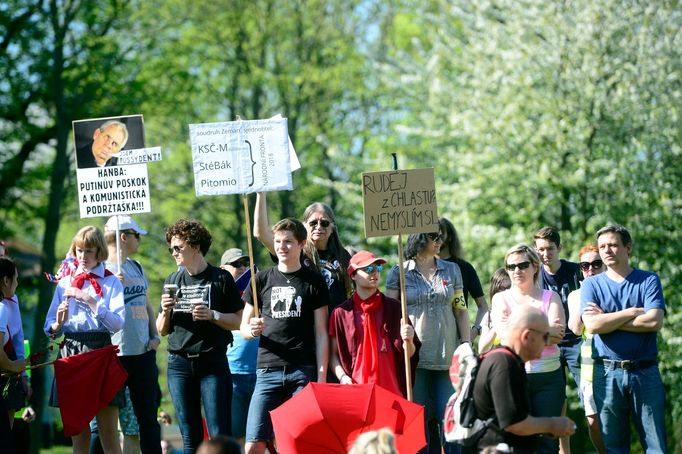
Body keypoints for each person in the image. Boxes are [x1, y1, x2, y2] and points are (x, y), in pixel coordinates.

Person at [240, 218, 330, 454]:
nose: (281, 246)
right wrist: (251, 329)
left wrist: (320, 378)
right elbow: (243, 328)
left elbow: (321, 333)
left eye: (288, 242)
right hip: (267, 369)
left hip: (302, 370)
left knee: (297, 442)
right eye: (278, 241)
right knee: (253, 444)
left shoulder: (315, 282)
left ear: (301, 244)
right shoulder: (260, 280)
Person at [157, 219, 244, 452]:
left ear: (195, 246)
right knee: (189, 435)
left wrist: (213, 314)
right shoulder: (172, 280)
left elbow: (239, 321)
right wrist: (165, 310)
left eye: (178, 247)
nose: (173, 252)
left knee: (219, 433)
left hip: (212, 362)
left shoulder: (221, 278)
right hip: (179, 364)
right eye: (171, 248)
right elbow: (161, 329)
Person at [581, 224, 667, 452]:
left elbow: (653, 322)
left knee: (655, 445)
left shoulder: (648, 280)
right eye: (602, 246)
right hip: (607, 373)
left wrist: (608, 321)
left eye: (613, 245)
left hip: (645, 372)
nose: (607, 250)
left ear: (627, 248)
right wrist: (630, 312)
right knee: (614, 447)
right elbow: (592, 324)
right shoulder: (591, 284)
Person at [385, 229, 470, 454]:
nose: (440, 241)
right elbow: (389, 313)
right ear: (419, 238)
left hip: (448, 356)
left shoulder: (452, 270)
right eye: (435, 237)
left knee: (452, 420)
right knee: (416, 422)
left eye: (440, 236)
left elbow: (461, 310)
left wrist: (467, 344)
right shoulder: (399, 272)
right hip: (413, 358)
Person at [44, 226, 125, 454]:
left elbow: (118, 324)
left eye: (88, 251)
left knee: (108, 434)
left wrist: (90, 300)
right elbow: (49, 328)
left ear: (99, 251)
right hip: (71, 351)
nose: (83, 256)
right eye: (79, 250)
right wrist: (57, 324)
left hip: (100, 351)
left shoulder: (111, 282)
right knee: (78, 432)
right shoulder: (64, 282)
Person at [489, 244, 565, 454]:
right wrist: (544, 331)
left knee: (548, 442)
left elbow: (558, 335)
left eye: (522, 265)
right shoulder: (500, 298)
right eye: (510, 267)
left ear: (535, 266)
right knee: (515, 440)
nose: (516, 271)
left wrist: (521, 330)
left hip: (549, 378)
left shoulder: (551, 297)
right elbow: (506, 337)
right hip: (513, 375)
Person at [97, 215, 161, 454]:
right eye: (137, 236)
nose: (139, 241)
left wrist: (155, 336)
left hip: (143, 353)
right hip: (115, 354)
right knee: (105, 421)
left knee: (148, 418)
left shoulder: (136, 266)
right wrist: (111, 285)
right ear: (123, 237)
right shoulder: (101, 271)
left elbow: (146, 303)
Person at [473, 305, 576, 453]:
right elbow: (514, 424)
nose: (547, 344)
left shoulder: (510, 361)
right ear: (527, 336)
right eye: (545, 337)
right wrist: (552, 424)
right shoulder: (504, 364)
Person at [329, 250, 420, 398]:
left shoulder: (395, 308)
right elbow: (332, 355)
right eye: (368, 269)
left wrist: (409, 341)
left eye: (377, 268)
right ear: (353, 275)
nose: (375, 273)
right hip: (357, 389)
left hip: (392, 389)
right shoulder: (341, 312)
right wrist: (343, 377)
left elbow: (409, 354)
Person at [253, 192, 351, 312]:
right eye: (313, 223)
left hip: (336, 324)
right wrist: (261, 194)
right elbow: (261, 234)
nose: (319, 227)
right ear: (304, 226)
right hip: (306, 325)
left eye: (324, 223)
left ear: (332, 227)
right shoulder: (295, 250)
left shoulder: (343, 255)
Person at [566, 245, 605, 454]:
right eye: (585, 265)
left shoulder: (615, 287)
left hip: (616, 358)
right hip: (590, 363)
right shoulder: (576, 295)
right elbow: (575, 327)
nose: (591, 269)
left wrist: (602, 315)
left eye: (597, 264)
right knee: (593, 419)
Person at [220, 248, 258, 443]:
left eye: (245, 264)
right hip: (232, 372)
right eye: (236, 265)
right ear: (223, 268)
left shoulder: (256, 291)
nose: (242, 268)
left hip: (261, 372)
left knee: (262, 435)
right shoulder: (219, 294)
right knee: (237, 436)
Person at [438, 218, 489, 343]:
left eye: (440, 234)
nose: (436, 238)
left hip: (458, 341)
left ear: (450, 237)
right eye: (432, 235)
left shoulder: (464, 268)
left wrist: (473, 333)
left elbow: (483, 307)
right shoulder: (423, 269)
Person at [0, 256, 28, 429]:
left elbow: (18, 338)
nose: (17, 284)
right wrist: (15, 366)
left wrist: (23, 375)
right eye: (16, 279)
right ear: (6, 280)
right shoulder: (1, 308)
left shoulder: (12, 301)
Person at [478, 268, 511, 353]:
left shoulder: (522, 311)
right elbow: (482, 349)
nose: (505, 292)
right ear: (494, 290)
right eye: (501, 288)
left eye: (509, 288)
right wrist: (498, 324)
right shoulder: (489, 316)